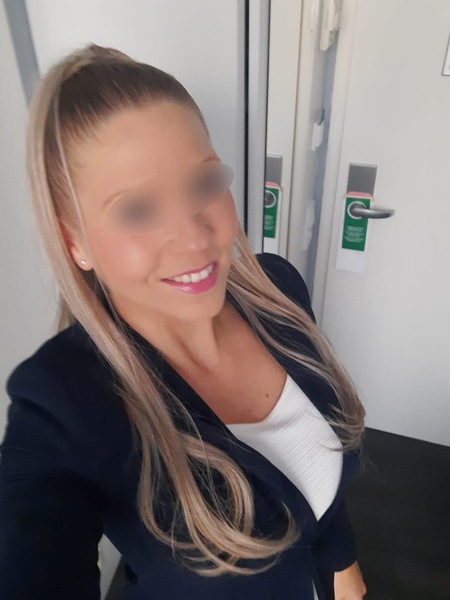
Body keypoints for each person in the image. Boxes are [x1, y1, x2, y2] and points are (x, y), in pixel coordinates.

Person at [0, 44, 367, 599]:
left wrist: (346, 573)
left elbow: (320, 484)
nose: (195, 238)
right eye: (138, 210)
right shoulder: (62, 405)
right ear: (75, 242)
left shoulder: (279, 291)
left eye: (203, 184)